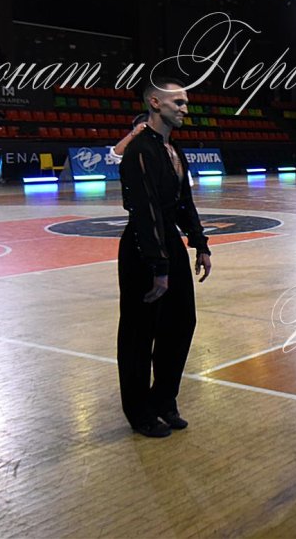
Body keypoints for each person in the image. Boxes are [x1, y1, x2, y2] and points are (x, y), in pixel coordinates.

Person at [117, 79, 212, 438]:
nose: (185, 108)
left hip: (168, 242)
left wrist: (200, 243)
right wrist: (158, 266)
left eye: (186, 102)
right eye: (179, 103)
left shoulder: (175, 151)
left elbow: (184, 202)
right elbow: (146, 210)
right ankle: (139, 411)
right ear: (155, 103)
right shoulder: (139, 150)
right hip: (142, 248)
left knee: (181, 323)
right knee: (139, 334)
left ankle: (163, 400)